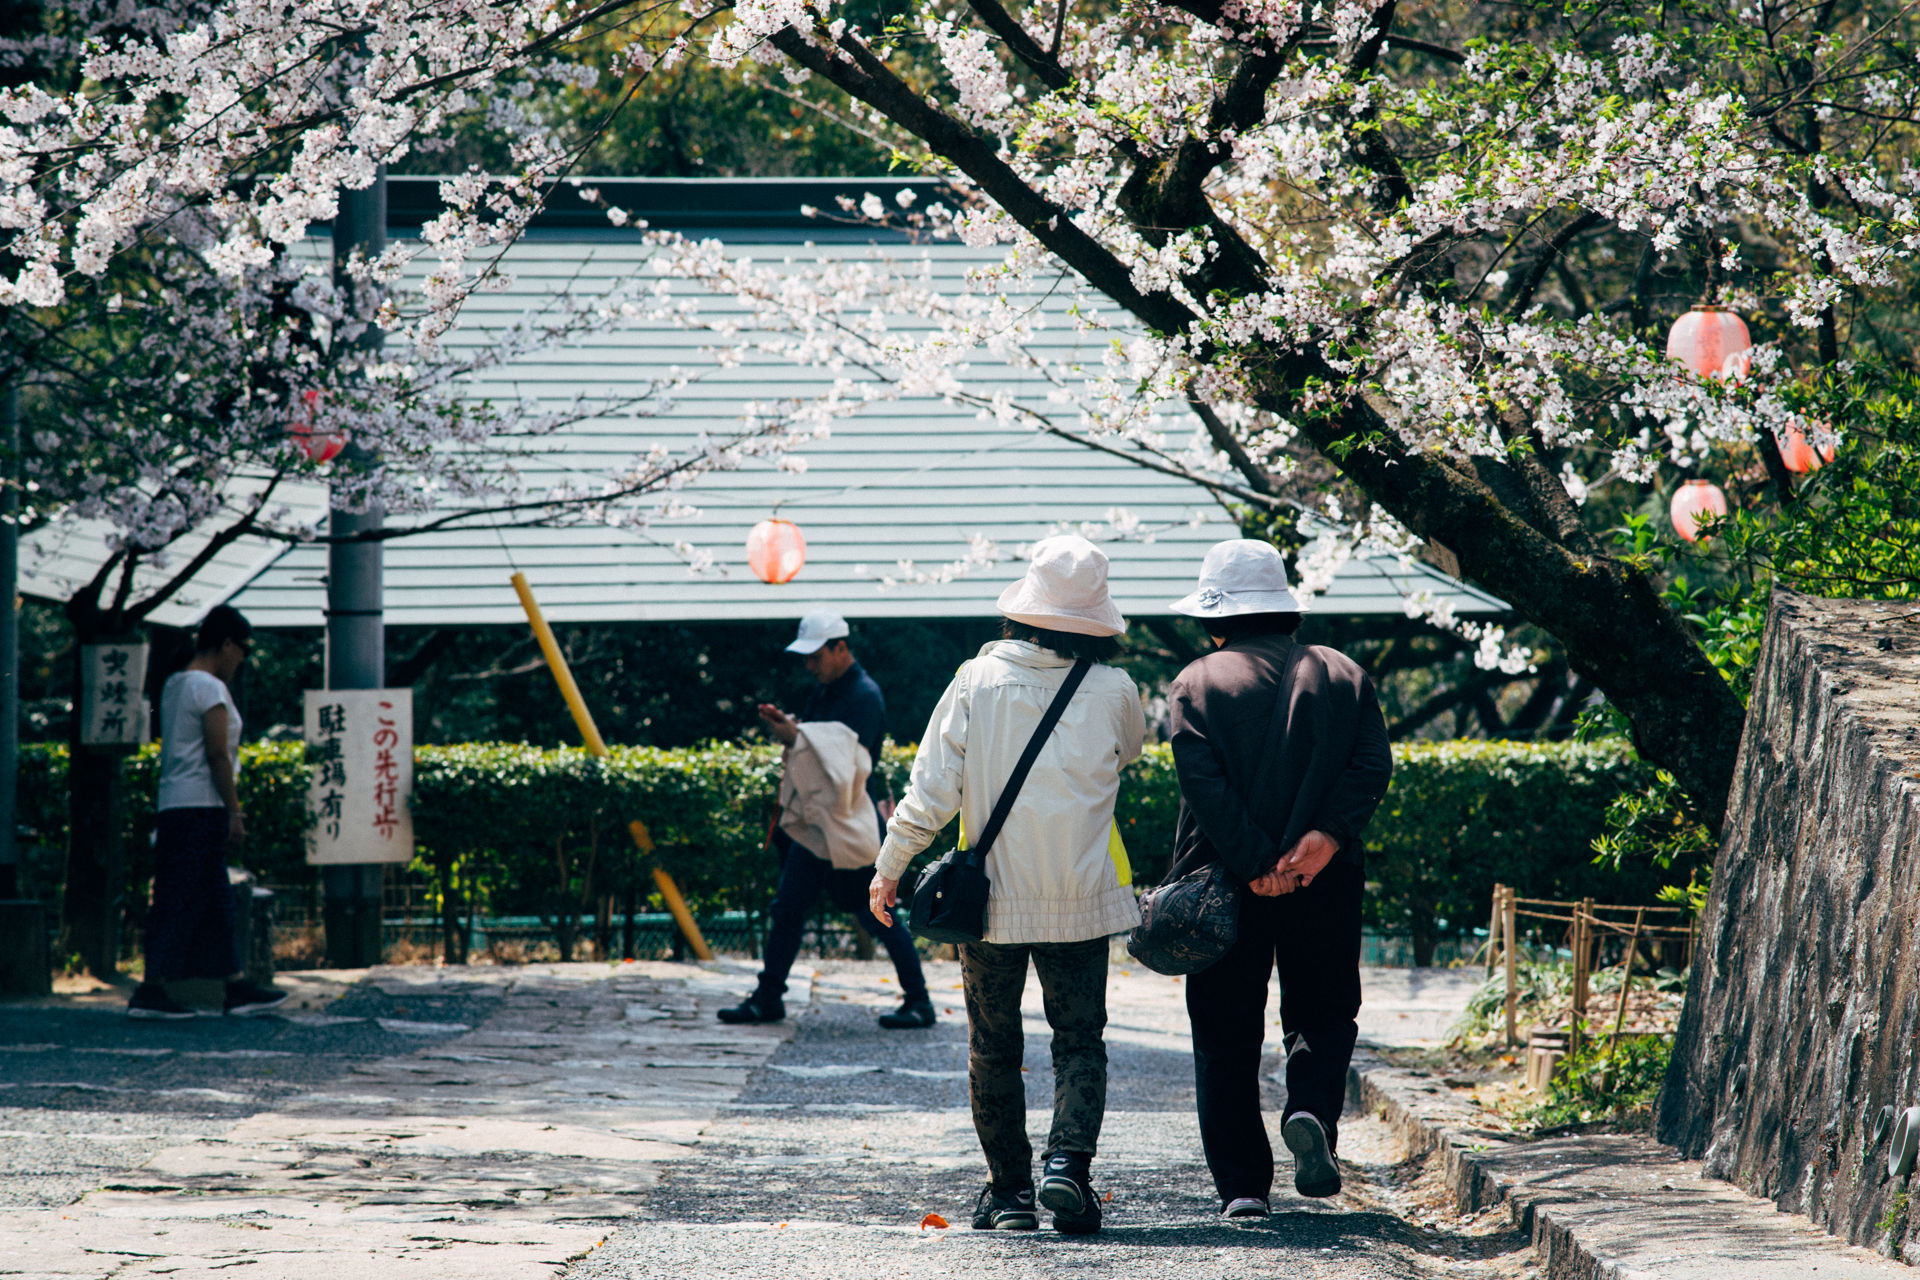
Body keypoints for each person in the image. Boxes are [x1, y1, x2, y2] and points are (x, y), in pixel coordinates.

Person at [870, 536, 1146, 1236]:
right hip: (1081, 901)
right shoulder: (1115, 690)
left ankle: (1011, 1193)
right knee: (1080, 1040)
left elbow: (932, 791)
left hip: (987, 904)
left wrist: (891, 863)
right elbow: (1131, 752)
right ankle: (1068, 1170)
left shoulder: (976, 680)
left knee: (994, 1044)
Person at [1163, 539, 1392, 1218]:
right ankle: (1312, 1111)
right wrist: (1323, 839)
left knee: (1226, 1029)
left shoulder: (1197, 682)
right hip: (1327, 877)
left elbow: (1202, 786)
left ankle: (1241, 1186)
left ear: (1217, 618)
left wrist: (1257, 861)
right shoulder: (1344, 673)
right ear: (1285, 608)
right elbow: (1371, 766)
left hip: (1222, 885)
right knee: (1323, 1009)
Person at [718, 611, 934, 1030]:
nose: (809, 665)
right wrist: (793, 730)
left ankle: (919, 1001)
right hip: (827, 825)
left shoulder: (864, 695)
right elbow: (824, 751)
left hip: (846, 825)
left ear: (841, 647)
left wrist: (795, 736)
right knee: (795, 908)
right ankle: (768, 996)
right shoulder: (831, 691)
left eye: (816, 656)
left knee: (873, 913)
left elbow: (845, 763)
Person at [126, 605, 288, 1020]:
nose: (243, 660)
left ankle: (233, 984)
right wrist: (235, 812)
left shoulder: (176, 684)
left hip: (176, 804)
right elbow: (217, 754)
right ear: (227, 644)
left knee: (210, 898)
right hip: (201, 805)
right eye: (244, 650)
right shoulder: (210, 689)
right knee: (183, 897)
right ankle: (153, 988)